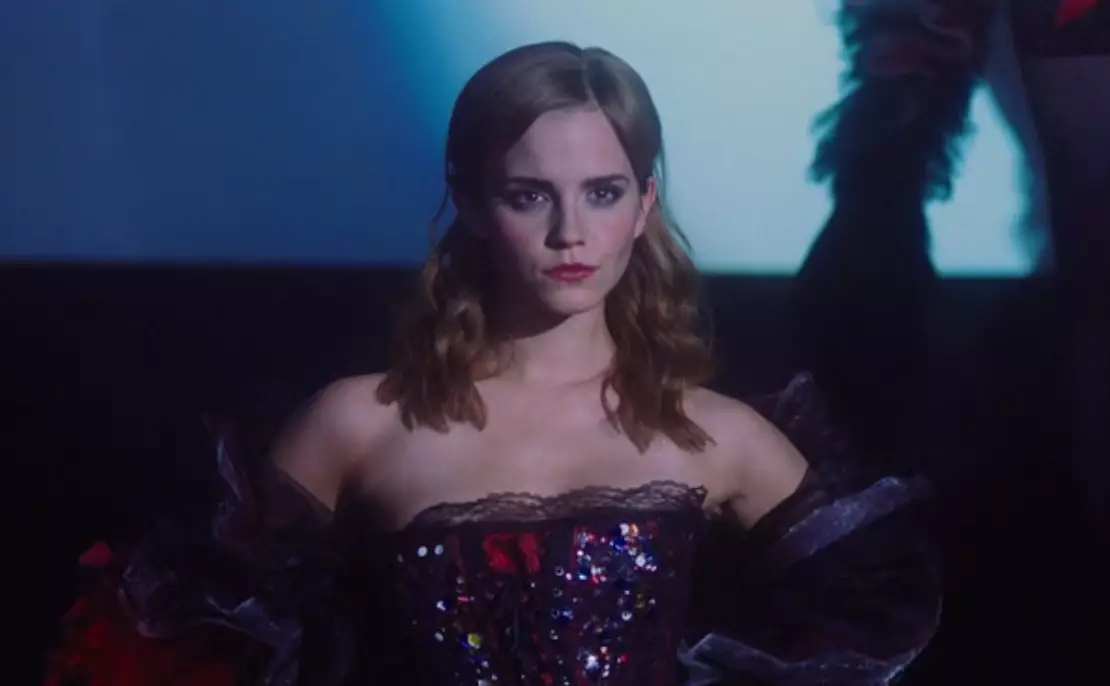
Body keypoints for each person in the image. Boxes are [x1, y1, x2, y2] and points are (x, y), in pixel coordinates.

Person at [44, 42, 939, 685]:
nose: (569, 232)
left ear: (644, 205)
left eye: (602, 192)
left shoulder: (719, 437)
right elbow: (195, 646)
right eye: (528, 195)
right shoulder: (359, 424)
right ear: (471, 203)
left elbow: (861, 620)